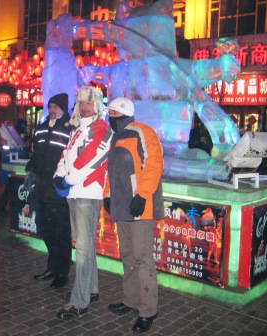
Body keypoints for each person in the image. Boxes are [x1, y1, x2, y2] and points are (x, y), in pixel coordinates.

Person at [103, 97, 164, 333]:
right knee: (128, 256)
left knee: (142, 259)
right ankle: (131, 301)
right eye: (110, 113)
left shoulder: (143, 131)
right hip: (122, 207)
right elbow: (113, 172)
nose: (111, 116)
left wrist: (142, 195)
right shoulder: (115, 138)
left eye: (114, 112)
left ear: (124, 113)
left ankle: (148, 310)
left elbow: (154, 164)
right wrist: (108, 195)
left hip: (140, 208)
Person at [54, 87, 112, 320]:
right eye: (81, 103)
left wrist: (66, 179)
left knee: (83, 249)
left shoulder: (102, 129)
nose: (85, 107)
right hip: (75, 193)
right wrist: (59, 176)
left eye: (89, 103)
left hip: (88, 193)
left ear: (97, 105)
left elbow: (91, 160)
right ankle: (91, 289)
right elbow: (65, 155)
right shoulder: (77, 130)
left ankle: (80, 302)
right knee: (84, 247)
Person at [24, 93, 73, 288]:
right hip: (43, 189)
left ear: (63, 108)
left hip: (59, 192)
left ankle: (63, 270)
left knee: (61, 232)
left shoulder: (71, 128)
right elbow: (36, 155)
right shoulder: (42, 128)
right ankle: (52, 266)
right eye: (50, 106)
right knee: (44, 228)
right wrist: (31, 173)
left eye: (55, 107)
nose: (52, 110)